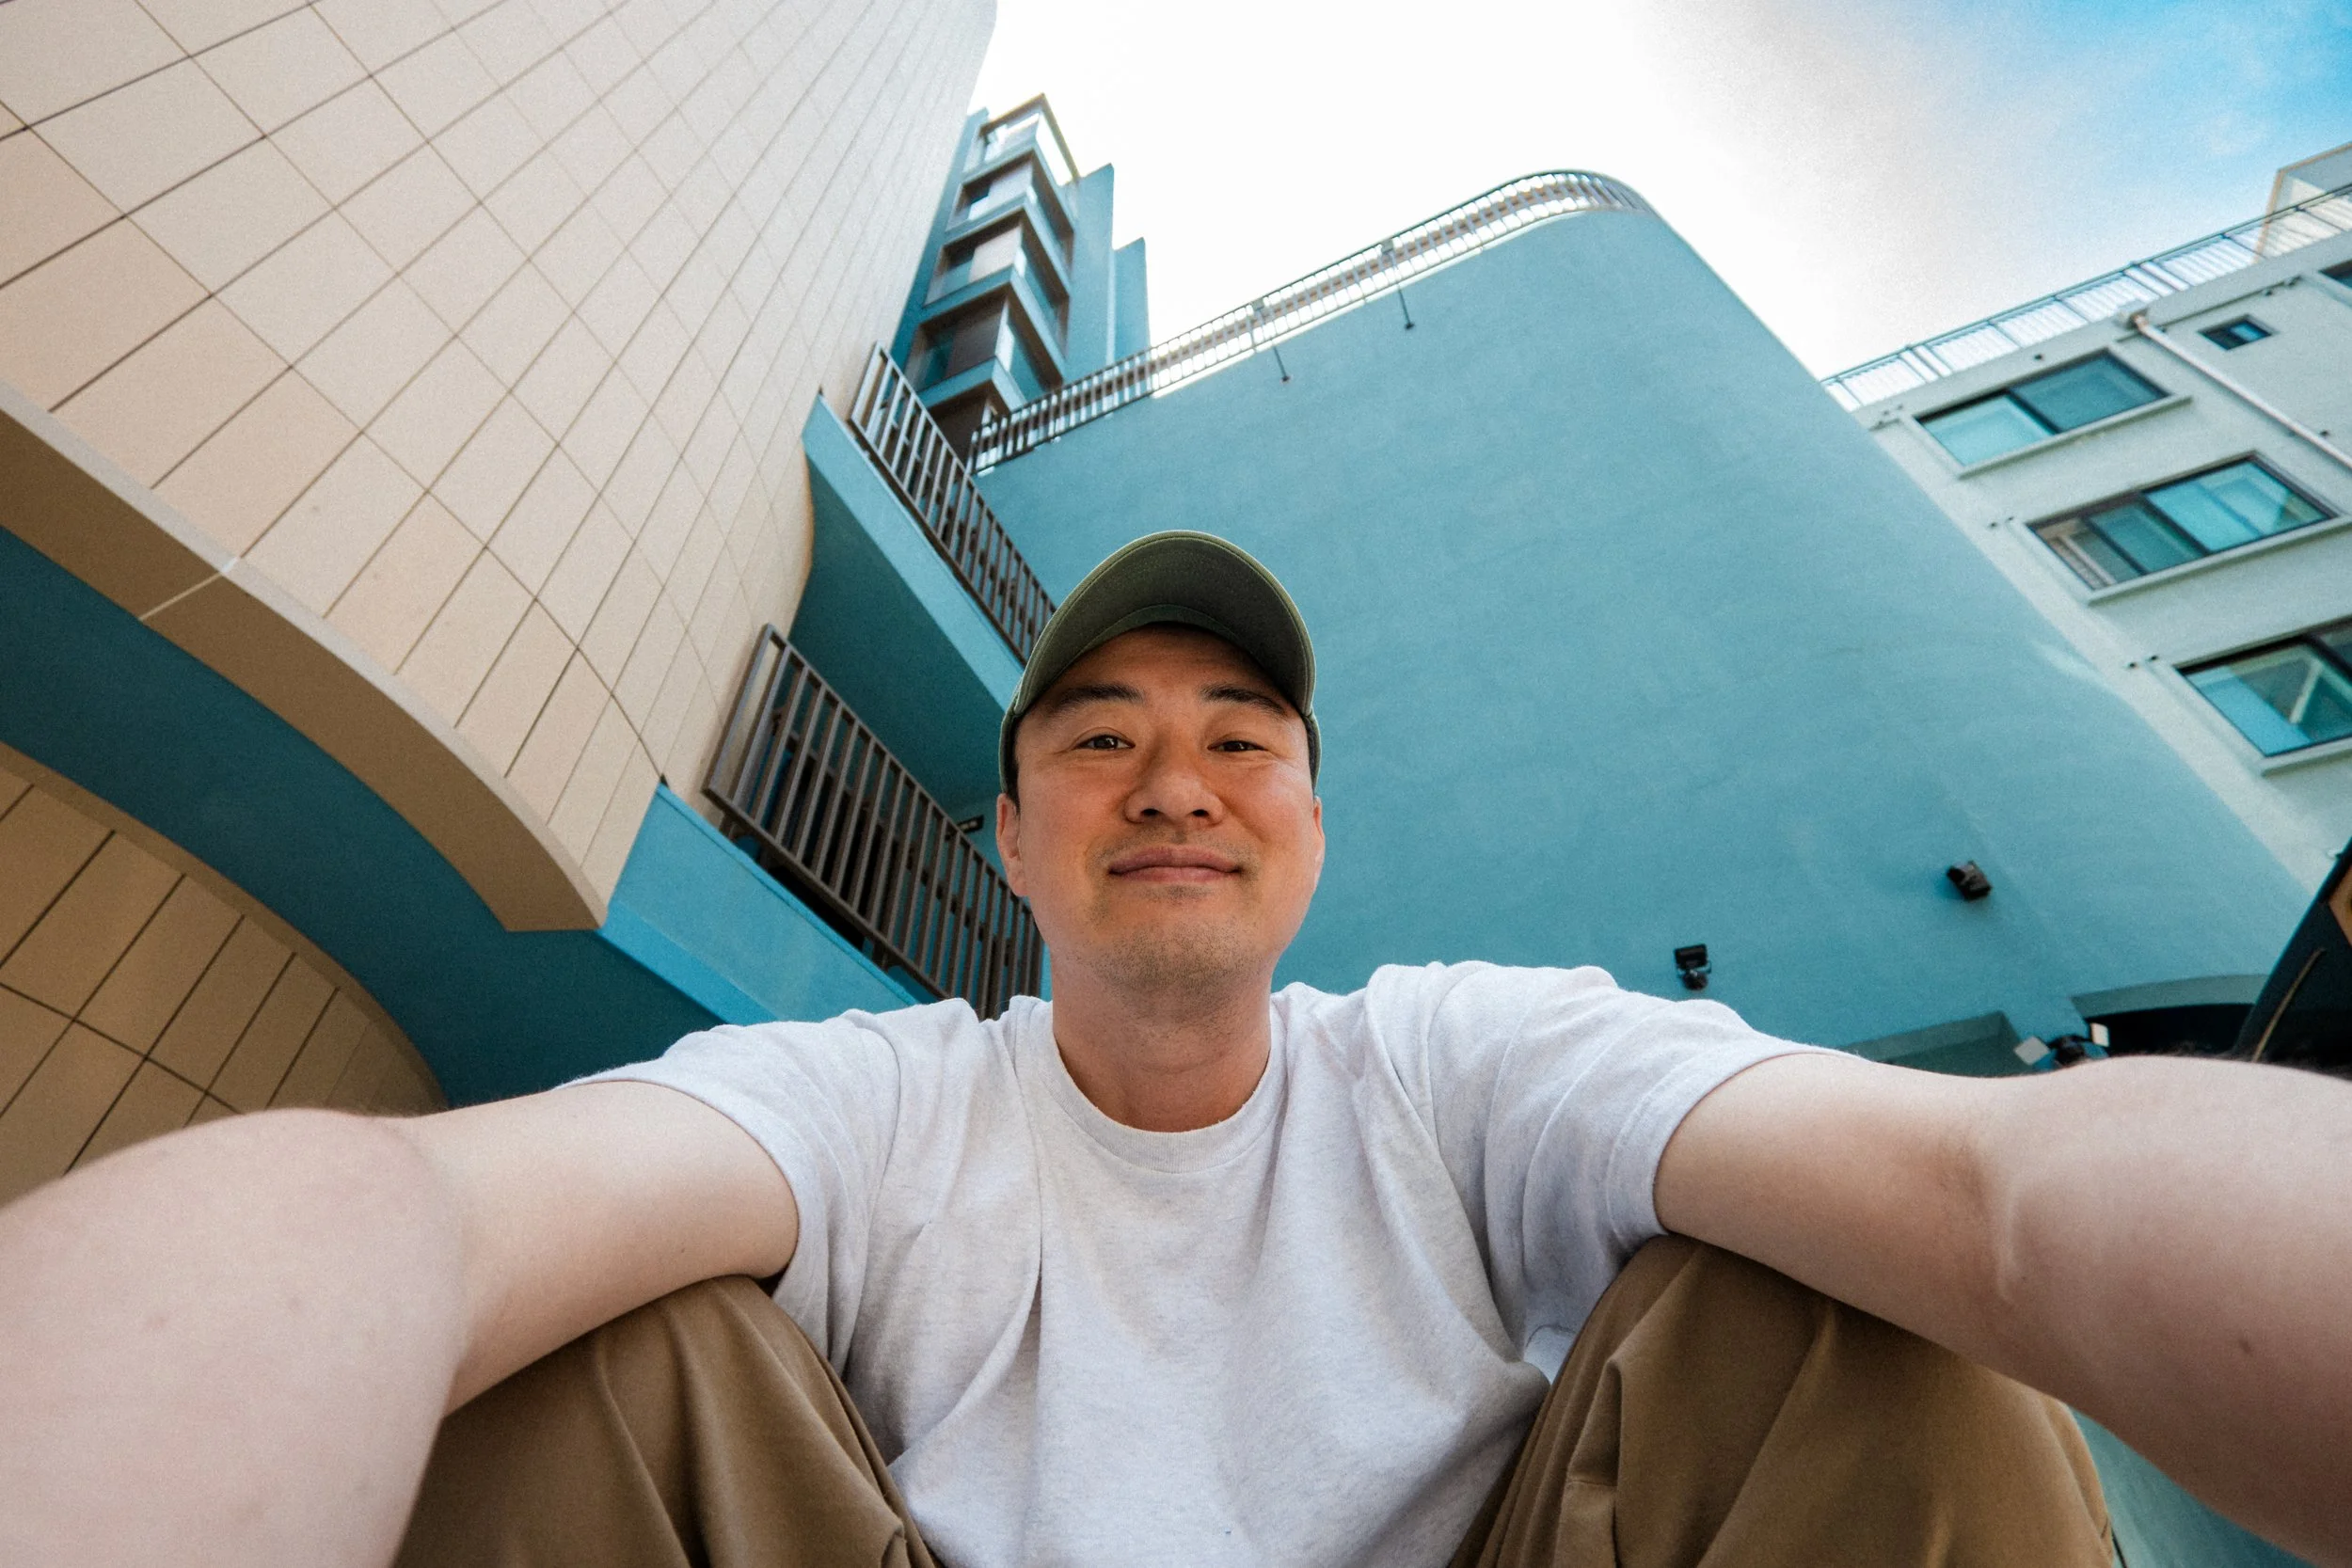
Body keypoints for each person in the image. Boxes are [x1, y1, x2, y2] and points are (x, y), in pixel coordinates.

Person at [2, 531, 2348, 1568]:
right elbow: (419, 1211)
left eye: (1242, 735)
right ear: (1011, 836)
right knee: (593, 1357)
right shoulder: (890, 1093)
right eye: (1100, 737)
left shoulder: (1455, 1061)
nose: (1174, 778)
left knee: (1852, 1322)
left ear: (1309, 823)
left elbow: (1998, 1200)